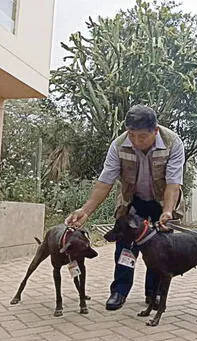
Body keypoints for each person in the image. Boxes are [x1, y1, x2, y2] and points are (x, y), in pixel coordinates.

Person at [65, 104, 185, 310]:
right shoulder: (118, 145)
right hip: (132, 203)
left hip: (161, 203)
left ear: (155, 131)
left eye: (142, 137)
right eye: (132, 135)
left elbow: (173, 183)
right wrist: (85, 211)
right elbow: (105, 182)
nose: (136, 141)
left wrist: (167, 211)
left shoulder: (173, 143)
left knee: (159, 250)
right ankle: (119, 291)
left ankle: (154, 294)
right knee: (124, 247)